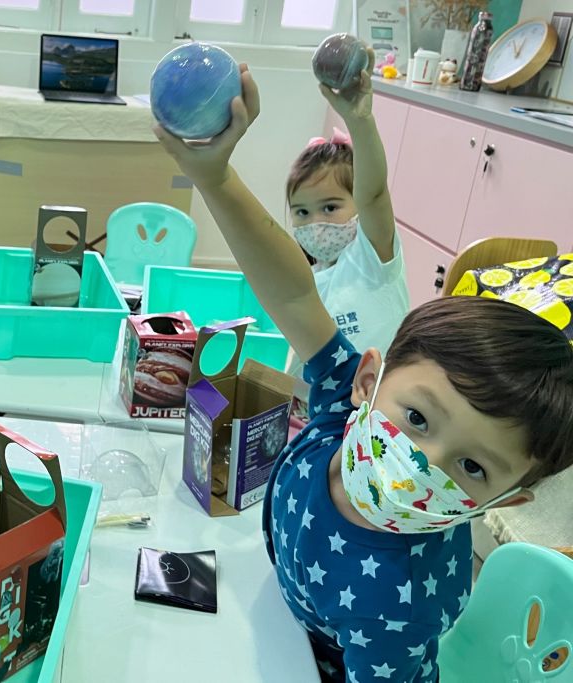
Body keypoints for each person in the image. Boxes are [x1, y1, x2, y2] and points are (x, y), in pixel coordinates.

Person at [155, 63, 573, 682]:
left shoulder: (400, 610)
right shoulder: (339, 407)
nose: (421, 465)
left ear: (506, 500)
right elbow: (294, 294)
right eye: (417, 418)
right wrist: (212, 177)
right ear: (367, 381)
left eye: (472, 467)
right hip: (278, 609)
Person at [283, 47, 409, 378]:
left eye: (330, 207)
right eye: (302, 212)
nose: (316, 223)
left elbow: (374, 194)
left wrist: (359, 121)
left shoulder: (372, 259)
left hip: (377, 401)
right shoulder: (310, 276)